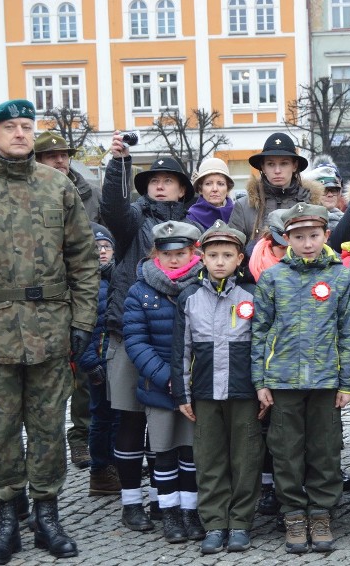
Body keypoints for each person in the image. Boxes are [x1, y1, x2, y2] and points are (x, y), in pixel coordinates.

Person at [0, 98, 99, 563]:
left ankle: (48, 515)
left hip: (52, 329)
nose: (21, 134)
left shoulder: (58, 187)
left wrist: (83, 320)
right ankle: (6, 516)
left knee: (49, 426)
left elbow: (84, 261)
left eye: (27, 126)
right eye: (10, 127)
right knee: (0, 428)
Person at [100, 134, 199, 532]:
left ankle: (167, 501)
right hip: (129, 332)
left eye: (168, 179)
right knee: (129, 420)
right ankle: (130, 502)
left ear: (181, 187)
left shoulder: (193, 226)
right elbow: (111, 206)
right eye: (154, 178)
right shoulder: (134, 221)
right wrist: (118, 164)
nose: (160, 184)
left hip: (177, 338)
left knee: (171, 422)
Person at [252, 203, 350, 554]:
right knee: (286, 450)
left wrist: (347, 382)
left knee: (324, 449)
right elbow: (260, 332)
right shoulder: (273, 277)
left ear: (326, 235)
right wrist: (260, 381)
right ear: (286, 238)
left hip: (326, 381)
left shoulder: (340, 276)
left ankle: (322, 510)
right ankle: (294, 513)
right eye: (298, 236)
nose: (307, 243)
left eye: (314, 235)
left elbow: (347, 331)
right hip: (282, 381)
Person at [171, 221, 263, 554]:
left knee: (246, 459)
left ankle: (240, 522)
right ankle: (214, 522)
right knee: (209, 461)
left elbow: (262, 347)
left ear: (240, 258)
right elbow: (180, 349)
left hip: (244, 392)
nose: (220, 261)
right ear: (202, 258)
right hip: (205, 393)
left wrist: (263, 389)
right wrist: (182, 393)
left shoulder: (251, 295)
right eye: (213, 255)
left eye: (227, 255)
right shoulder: (189, 297)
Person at [123, 221, 205, 544]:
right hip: (158, 388)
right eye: (167, 253)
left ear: (192, 253)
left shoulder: (202, 286)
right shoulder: (140, 290)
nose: (174, 260)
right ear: (155, 254)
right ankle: (169, 512)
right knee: (163, 453)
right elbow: (136, 342)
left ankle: (191, 511)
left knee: (191, 453)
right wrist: (169, 379)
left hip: (194, 388)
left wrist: (189, 379)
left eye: (181, 253)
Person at [34, 130, 98, 469]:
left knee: (85, 373)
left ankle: (81, 439)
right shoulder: (34, 192)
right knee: (49, 378)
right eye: (50, 156)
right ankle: (49, 445)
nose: (60, 161)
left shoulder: (90, 193)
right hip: (46, 299)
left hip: (83, 293)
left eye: (64, 155)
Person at [77, 223, 121, 497]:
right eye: (96, 248)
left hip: (114, 361)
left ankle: (116, 464)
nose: (102, 252)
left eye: (106, 247)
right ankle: (101, 470)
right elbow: (83, 330)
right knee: (102, 417)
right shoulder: (85, 284)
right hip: (97, 363)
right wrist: (90, 363)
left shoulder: (116, 278)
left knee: (116, 418)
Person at [228, 133, 322, 250]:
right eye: (271, 164)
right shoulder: (244, 207)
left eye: (284, 163)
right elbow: (232, 251)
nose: (277, 170)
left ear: (294, 166)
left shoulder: (312, 203)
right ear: (263, 167)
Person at [186, 157, 235, 229]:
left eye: (220, 184)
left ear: (228, 188)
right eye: (208, 184)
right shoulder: (191, 217)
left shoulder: (237, 214)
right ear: (200, 188)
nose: (215, 189)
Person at [303, 157, 346, 231]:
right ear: (314, 192)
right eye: (324, 190)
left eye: (334, 190)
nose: (330, 194)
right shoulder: (305, 218)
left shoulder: (344, 218)